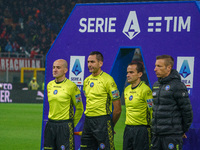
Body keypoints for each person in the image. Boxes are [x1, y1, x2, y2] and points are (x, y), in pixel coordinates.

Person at [80, 51, 121, 150]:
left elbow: (118, 109)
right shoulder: (86, 81)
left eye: (92, 62)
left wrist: (111, 125)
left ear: (100, 63)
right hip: (88, 121)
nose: (89, 64)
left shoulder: (108, 80)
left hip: (102, 121)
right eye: (88, 62)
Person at [151, 55, 193, 150]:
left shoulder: (178, 86)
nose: (155, 69)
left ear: (168, 67)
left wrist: (181, 130)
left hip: (172, 136)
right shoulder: (156, 85)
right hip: (156, 135)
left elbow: (187, 112)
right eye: (155, 65)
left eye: (159, 66)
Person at [44, 59, 84, 150]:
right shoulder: (49, 85)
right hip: (50, 125)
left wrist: (71, 125)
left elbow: (79, 108)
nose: (55, 70)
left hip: (65, 125)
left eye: (58, 67)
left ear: (65, 70)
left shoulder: (72, 86)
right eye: (53, 67)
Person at [123, 62, 153, 150]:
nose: (128, 75)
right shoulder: (126, 89)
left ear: (140, 74)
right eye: (127, 72)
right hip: (128, 129)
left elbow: (152, 111)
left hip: (142, 130)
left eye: (131, 72)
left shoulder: (146, 90)